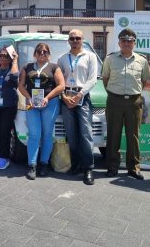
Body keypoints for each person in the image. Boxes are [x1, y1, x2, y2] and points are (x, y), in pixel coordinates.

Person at [102, 28, 150, 180]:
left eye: (130, 41)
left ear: (134, 43)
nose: (127, 43)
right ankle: (111, 166)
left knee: (133, 136)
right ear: (119, 43)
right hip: (114, 100)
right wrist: (114, 93)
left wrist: (132, 93)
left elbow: (144, 81)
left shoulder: (142, 60)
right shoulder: (110, 59)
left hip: (134, 102)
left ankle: (133, 168)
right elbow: (105, 79)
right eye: (124, 41)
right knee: (113, 135)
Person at [19, 43, 65, 179]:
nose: (42, 54)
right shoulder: (27, 67)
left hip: (50, 103)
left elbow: (61, 85)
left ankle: (44, 163)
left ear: (49, 54)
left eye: (45, 52)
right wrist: (28, 98)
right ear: (35, 54)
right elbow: (21, 85)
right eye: (39, 52)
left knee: (46, 134)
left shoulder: (54, 67)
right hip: (31, 104)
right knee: (34, 134)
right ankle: (32, 165)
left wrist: (47, 98)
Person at [57, 29, 97, 185]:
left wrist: (79, 95)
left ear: (83, 39)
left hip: (82, 97)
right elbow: (59, 81)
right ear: (68, 40)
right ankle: (76, 163)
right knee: (71, 134)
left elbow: (92, 80)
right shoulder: (62, 59)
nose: (75, 41)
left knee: (86, 133)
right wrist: (64, 97)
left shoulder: (90, 56)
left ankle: (88, 168)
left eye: (77, 38)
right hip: (66, 98)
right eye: (72, 38)